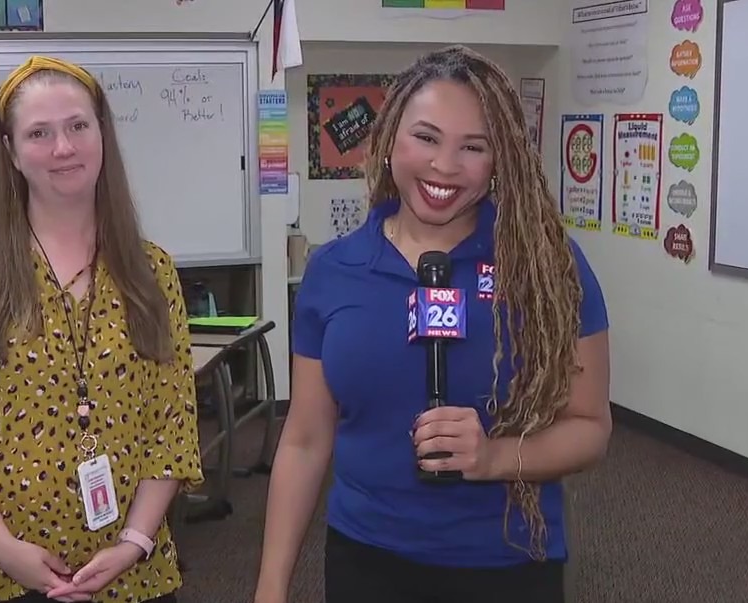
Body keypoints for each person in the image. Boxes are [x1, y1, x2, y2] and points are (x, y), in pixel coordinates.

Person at [254, 45, 611, 603]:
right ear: (390, 136)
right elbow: (303, 440)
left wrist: (494, 457)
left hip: (506, 563)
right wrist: (271, 588)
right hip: (366, 557)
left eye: (474, 147)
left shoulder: (547, 267)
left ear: (500, 160)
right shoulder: (335, 270)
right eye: (426, 137)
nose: (445, 166)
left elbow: (590, 427)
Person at [0, 56, 204, 603]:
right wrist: (3, 548)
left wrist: (134, 542)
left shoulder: (152, 270)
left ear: (102, 135)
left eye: (78, 126)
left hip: (128, 568)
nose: (64, 148)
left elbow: (171, 426)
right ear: (11, 151)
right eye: (39, 133)